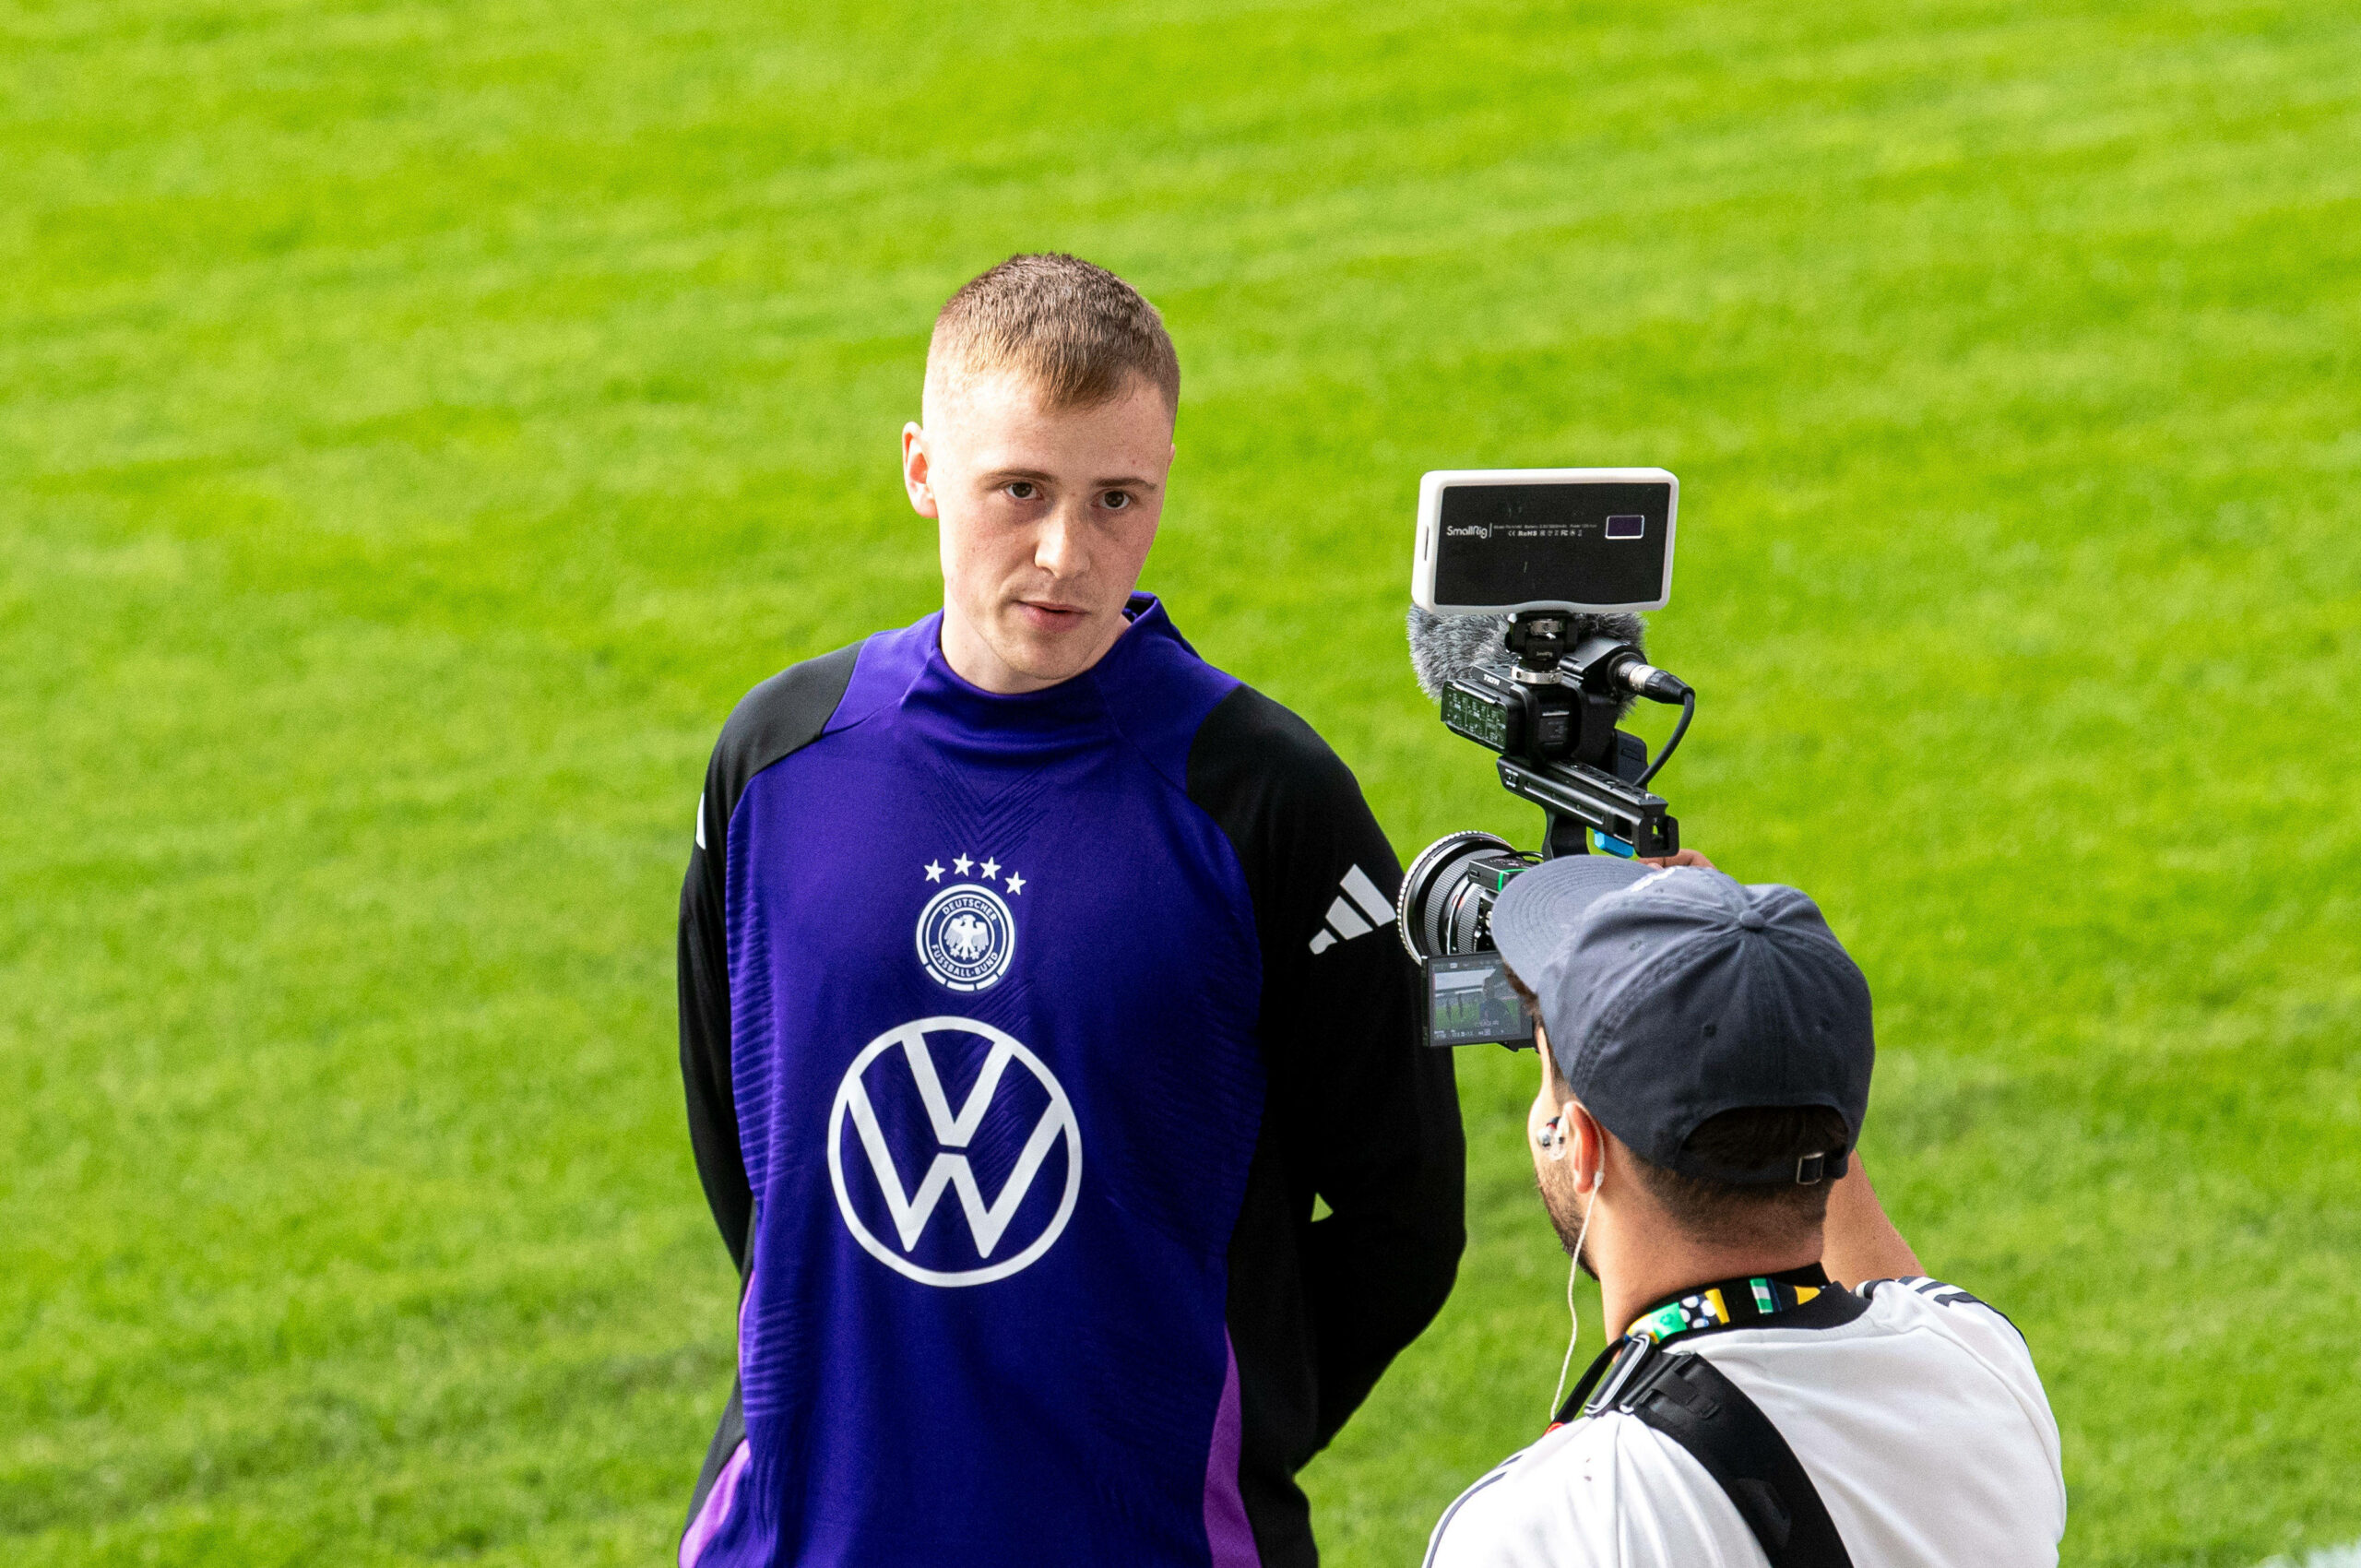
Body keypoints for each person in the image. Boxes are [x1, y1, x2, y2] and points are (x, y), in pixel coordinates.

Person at [673, 254, 1465, 1568]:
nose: (1065, 553)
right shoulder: (777, 759)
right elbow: (750, 1155)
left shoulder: (1262, 799)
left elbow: (1405, 1215)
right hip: (802, 1534)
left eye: (1117, 501)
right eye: (1019, 492)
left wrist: (1219, 1418)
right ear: (924, 471)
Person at [1424, 855, 2065, 1567]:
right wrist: (1756, 990)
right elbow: (1885, 1276)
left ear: (1579, 1148)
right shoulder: (1981, 1367)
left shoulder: (1544, 1529)